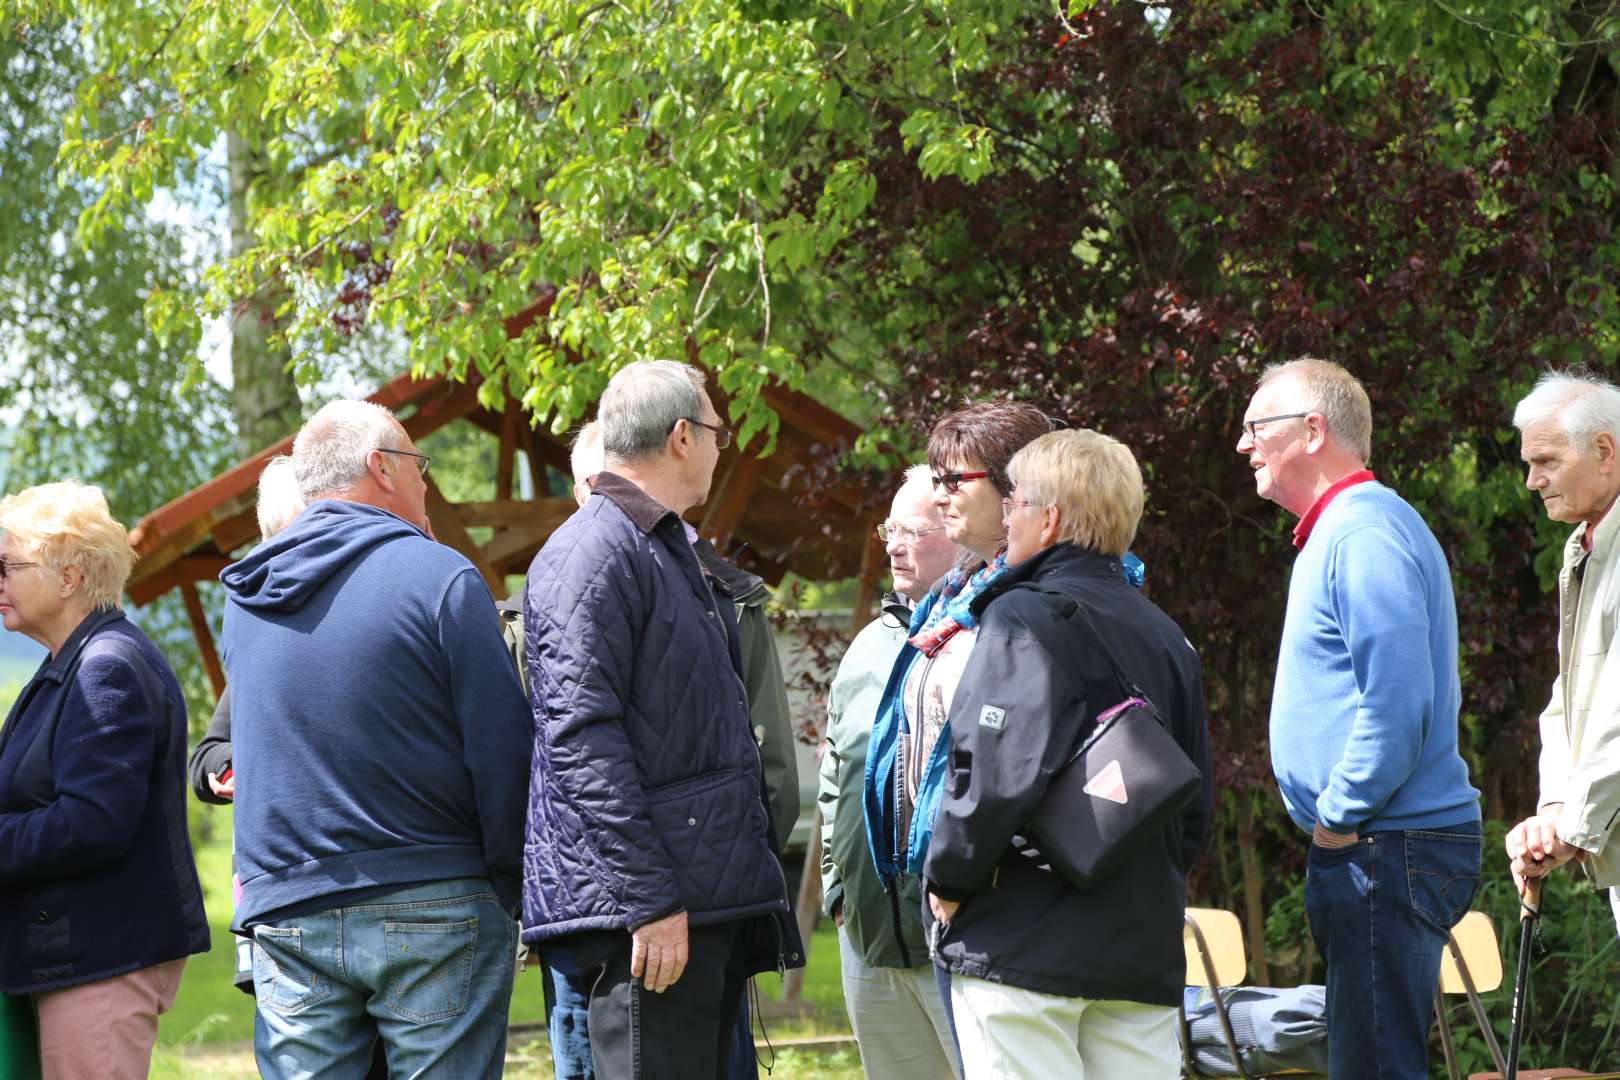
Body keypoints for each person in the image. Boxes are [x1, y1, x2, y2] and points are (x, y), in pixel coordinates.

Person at [220, 400, 533, 1079]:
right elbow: (503, 752)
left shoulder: (247, 597)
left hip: (288, 908)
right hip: (434, 899)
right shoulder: (441, 576)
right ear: (380, 468)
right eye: (421, 466)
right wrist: (513, 885)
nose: (427, 485)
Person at [522, 360, 801, 1080]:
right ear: (682, 436)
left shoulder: (657, 545)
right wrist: (649, 901)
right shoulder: (595, 550)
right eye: (715, 431)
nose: (720, 446)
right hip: (646, 918)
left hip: (684, 903)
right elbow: (580, 737)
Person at [922, 429, 1211, 1078]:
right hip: (1139, 950)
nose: (1007, 517)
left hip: (1021, 942)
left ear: (1046, 518)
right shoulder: (1166, 635)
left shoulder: (1020, 615)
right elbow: (1193, 803)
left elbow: (991, 771)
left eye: (1015, 503)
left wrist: (948, 877)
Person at [1236, 357, 1481, 1079]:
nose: (1244, 445)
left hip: (1382, 843)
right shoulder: (1345, 530)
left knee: (1373, 1067)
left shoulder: (1362, 534)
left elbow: (1398, 703)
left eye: (1257, 428)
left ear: (1313, 431)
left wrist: (1340, 818)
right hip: (1378, 843)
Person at [0, 481, 210, 1080]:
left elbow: (90, 825)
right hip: (72, 954)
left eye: (8, 565)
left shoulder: (105, 667)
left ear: (68, 578)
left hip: (99, 957)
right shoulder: (69, 661)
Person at [862, 400, 1057, 1042]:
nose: (940, 496)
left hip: (1003, 888)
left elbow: (1009, 752)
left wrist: (960, 869)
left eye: (955, 481)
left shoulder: (1039, 599)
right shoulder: (959, 590)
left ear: (1013, 486)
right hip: (948, 882)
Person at [819, 464, 961, 1079]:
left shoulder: (986, 632)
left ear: (957, 528)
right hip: (868, 940)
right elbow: (835, 773)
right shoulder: (869, 646)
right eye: (888, 530)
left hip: (955, 938)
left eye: (912, 530)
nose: (894, 545)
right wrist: (838, 891)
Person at [1506, 369, 1620, 931]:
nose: (1532, 480)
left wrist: (1571, 827)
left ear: (1604, 451)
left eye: (1546, 462)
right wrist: (1553, 808)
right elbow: (1569, 696)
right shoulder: (1586, 544)